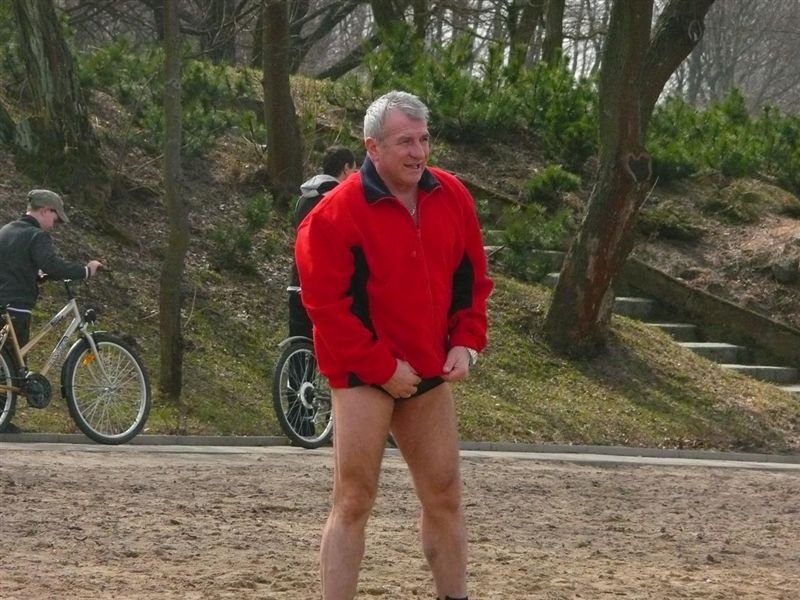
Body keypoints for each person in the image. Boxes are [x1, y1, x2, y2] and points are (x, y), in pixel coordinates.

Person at [295, 91, 493, 600]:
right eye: (405, 141)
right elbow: (326, 307)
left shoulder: (452, 195)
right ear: (373, 147)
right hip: (362, 373)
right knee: (354, 499)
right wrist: (382, 368)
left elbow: (472, 279)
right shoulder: (333, 215)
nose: (418, 152)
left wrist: (466, 341)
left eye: (424, 139)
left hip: (428, 367)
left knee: (445, 495)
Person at [0, 189, 103, 432]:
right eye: (55, 218)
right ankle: (3, 420)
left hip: (2, 302)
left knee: (5, 367)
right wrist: (85, 271)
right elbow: (52, 264)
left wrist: (38, 276)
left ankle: (3, 418)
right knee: (13, 369)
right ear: (46, 210)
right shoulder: (37, 236)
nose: (54, 224)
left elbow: (15, 265)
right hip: (17, 306)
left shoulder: (6, 231)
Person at [287, 145, 357, 339]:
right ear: (346, 168)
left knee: (299, 344)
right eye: (353, 170)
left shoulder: (303, 198)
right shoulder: (339, 198)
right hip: (325, 286)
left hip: (297, 280)